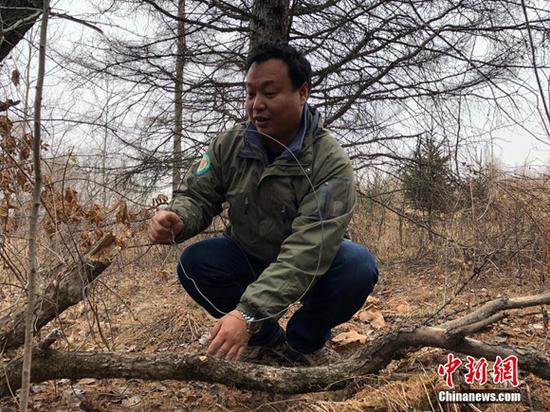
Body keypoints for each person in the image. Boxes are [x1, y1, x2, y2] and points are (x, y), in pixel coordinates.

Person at [148, 41, 379, 365]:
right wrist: (178, 217)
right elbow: (198, 194)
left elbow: (308, 250)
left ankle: (305, 344)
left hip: (310, 269)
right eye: (250, 94)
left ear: (302, 93)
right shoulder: (230, 144)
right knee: (196, 263)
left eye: (269, 93)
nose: (257, 105)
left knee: (357, 266)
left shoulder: (330, 162)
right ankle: (267, 340)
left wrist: (246, 313)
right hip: (248, 255)